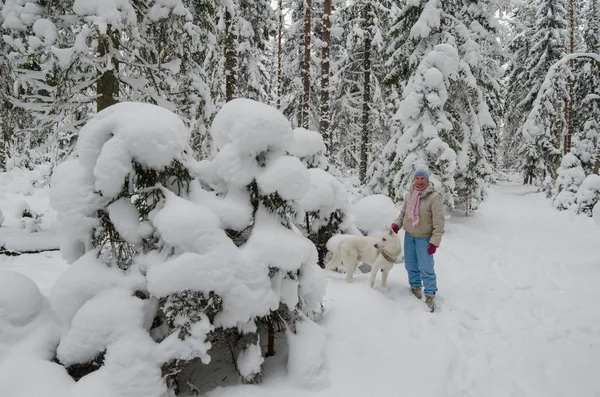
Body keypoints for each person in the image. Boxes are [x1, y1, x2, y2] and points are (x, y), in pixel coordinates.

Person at [391, 169, 445, 312]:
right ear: (414, 179)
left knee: (426, 266)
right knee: (410, 265)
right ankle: (415, 286)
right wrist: (397, 224)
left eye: (422, 178)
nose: (420, 181)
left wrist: (434, 241)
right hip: (409, 236)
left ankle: (430, 293)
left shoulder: (434, 197)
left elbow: (439, 221)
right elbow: (403, 214)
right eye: (417, 178)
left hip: (425, 238)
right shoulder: (409, 194)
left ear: (427, 180)